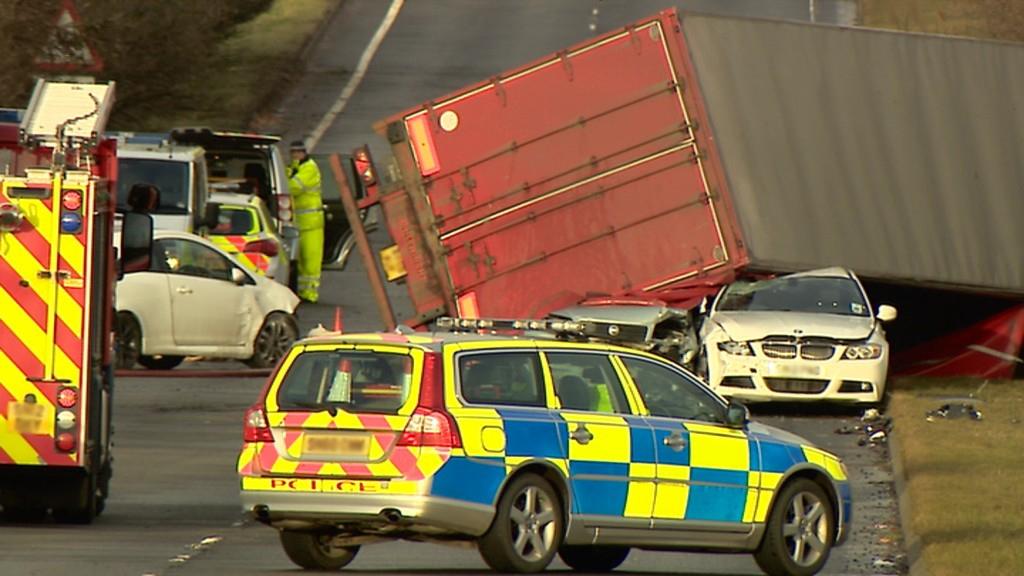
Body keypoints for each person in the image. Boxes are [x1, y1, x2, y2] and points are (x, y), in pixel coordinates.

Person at [287, 139, 324, 303]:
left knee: (311, 263)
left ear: (304, 152)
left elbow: (293, 188)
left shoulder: (309, 168)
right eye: (293, 152)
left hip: (311, 224)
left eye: (297, 152)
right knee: (301, 262)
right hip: (298, 223)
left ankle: (310, 294)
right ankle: (302, 293)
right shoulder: (296, 168)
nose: (295, 155)